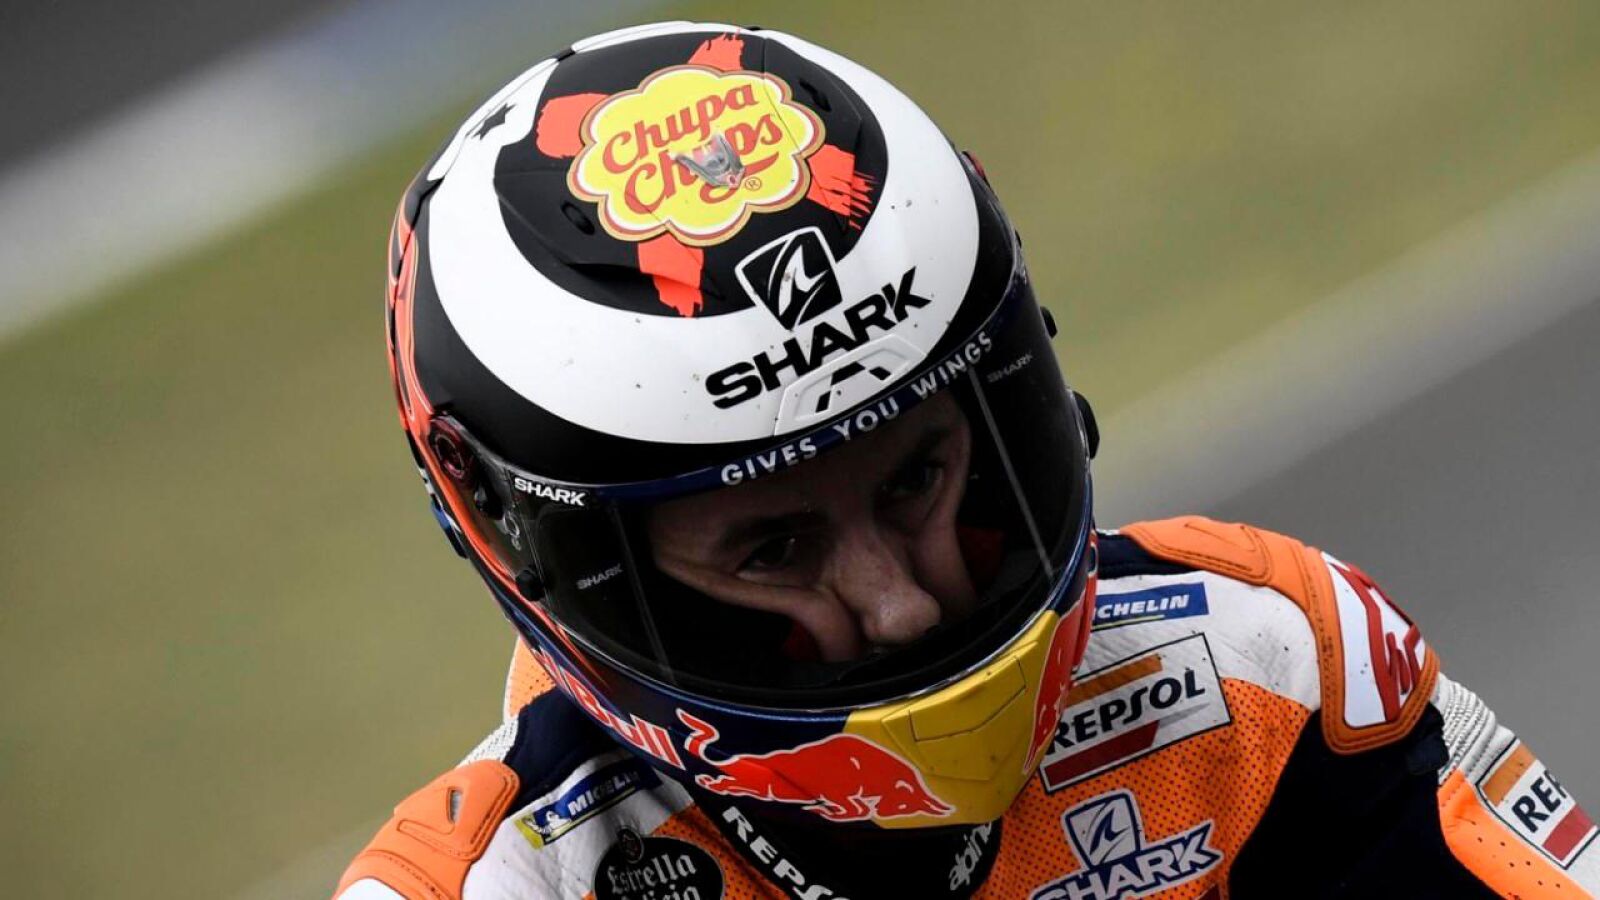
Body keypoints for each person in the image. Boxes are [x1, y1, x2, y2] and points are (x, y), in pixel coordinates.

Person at [334, 22, 1598, 899]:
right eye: (775, 547)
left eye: (913, 480)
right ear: (542, 551)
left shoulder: (1267, 666)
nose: (903, 601)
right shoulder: (497, 886)